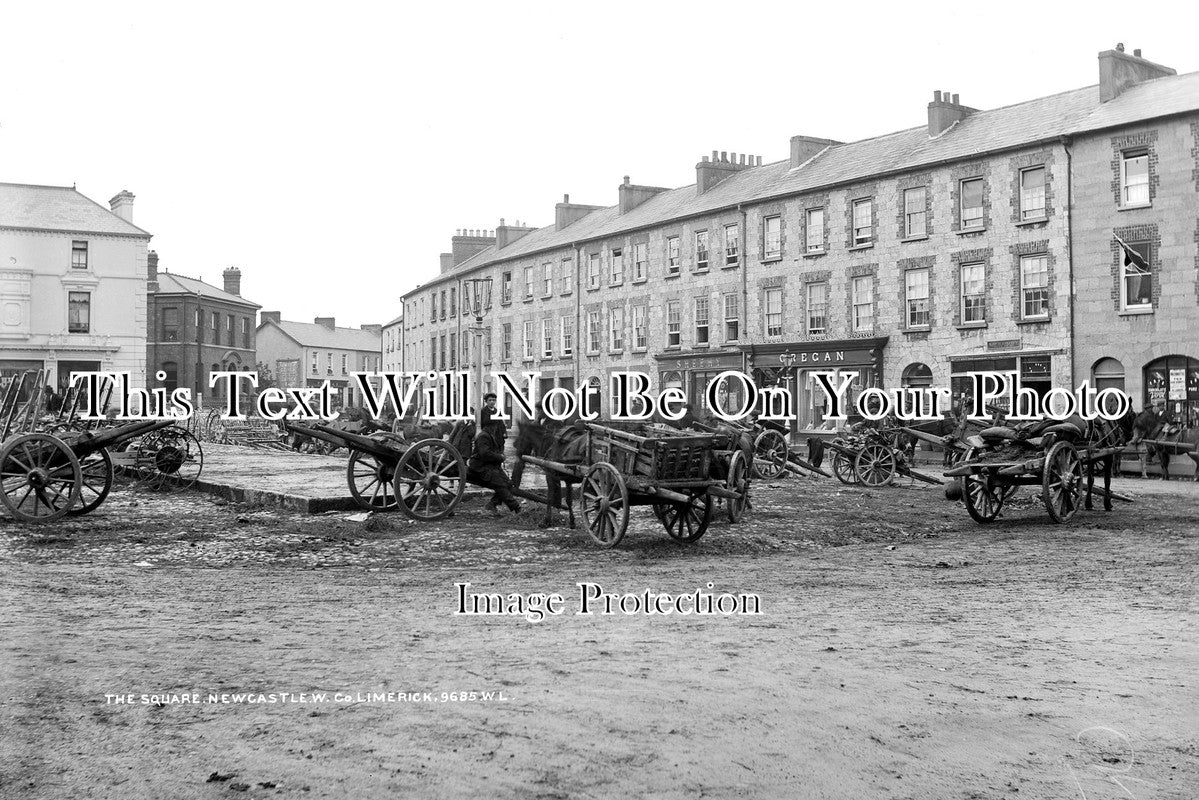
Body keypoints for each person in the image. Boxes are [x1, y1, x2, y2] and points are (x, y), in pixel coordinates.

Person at [468, 410, 521, 517]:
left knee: (508, 484)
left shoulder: (489, 435)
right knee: (500, 485)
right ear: (492, 426)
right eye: (496, 425)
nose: (497, 428)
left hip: (491, 466)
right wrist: (499, 457)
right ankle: (517, 508)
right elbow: (484, 454)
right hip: (480, 468)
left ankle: (492, 504)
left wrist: (499, 456)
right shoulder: (484, 436)